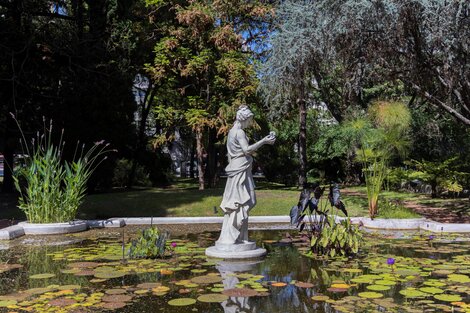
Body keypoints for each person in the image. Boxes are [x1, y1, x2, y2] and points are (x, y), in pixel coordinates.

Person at [217, 105, 276, 245]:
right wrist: (264, 141)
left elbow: (233, 154)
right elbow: (247, 150)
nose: (250, 123)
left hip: (240, 169)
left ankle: (242, 237)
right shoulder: (239, 133)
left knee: (243, 202)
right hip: (240, 170)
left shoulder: (232, 132)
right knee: (244, 202)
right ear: (244, 119)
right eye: (250, 120)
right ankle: (236, 235)